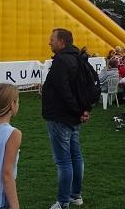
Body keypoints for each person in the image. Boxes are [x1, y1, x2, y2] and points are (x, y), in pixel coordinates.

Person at [41, 29, 89, 209]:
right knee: (75, 156)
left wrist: (77, 110)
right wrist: (82, 110)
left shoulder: (62, 60)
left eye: (51, 39)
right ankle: (75, 195)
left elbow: (63, 90)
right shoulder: (77, 57)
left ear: (61, 41)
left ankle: (63, 202)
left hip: (61, 117)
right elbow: (80, 88)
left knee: (64, 161)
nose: (49, 42)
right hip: (73, 117)